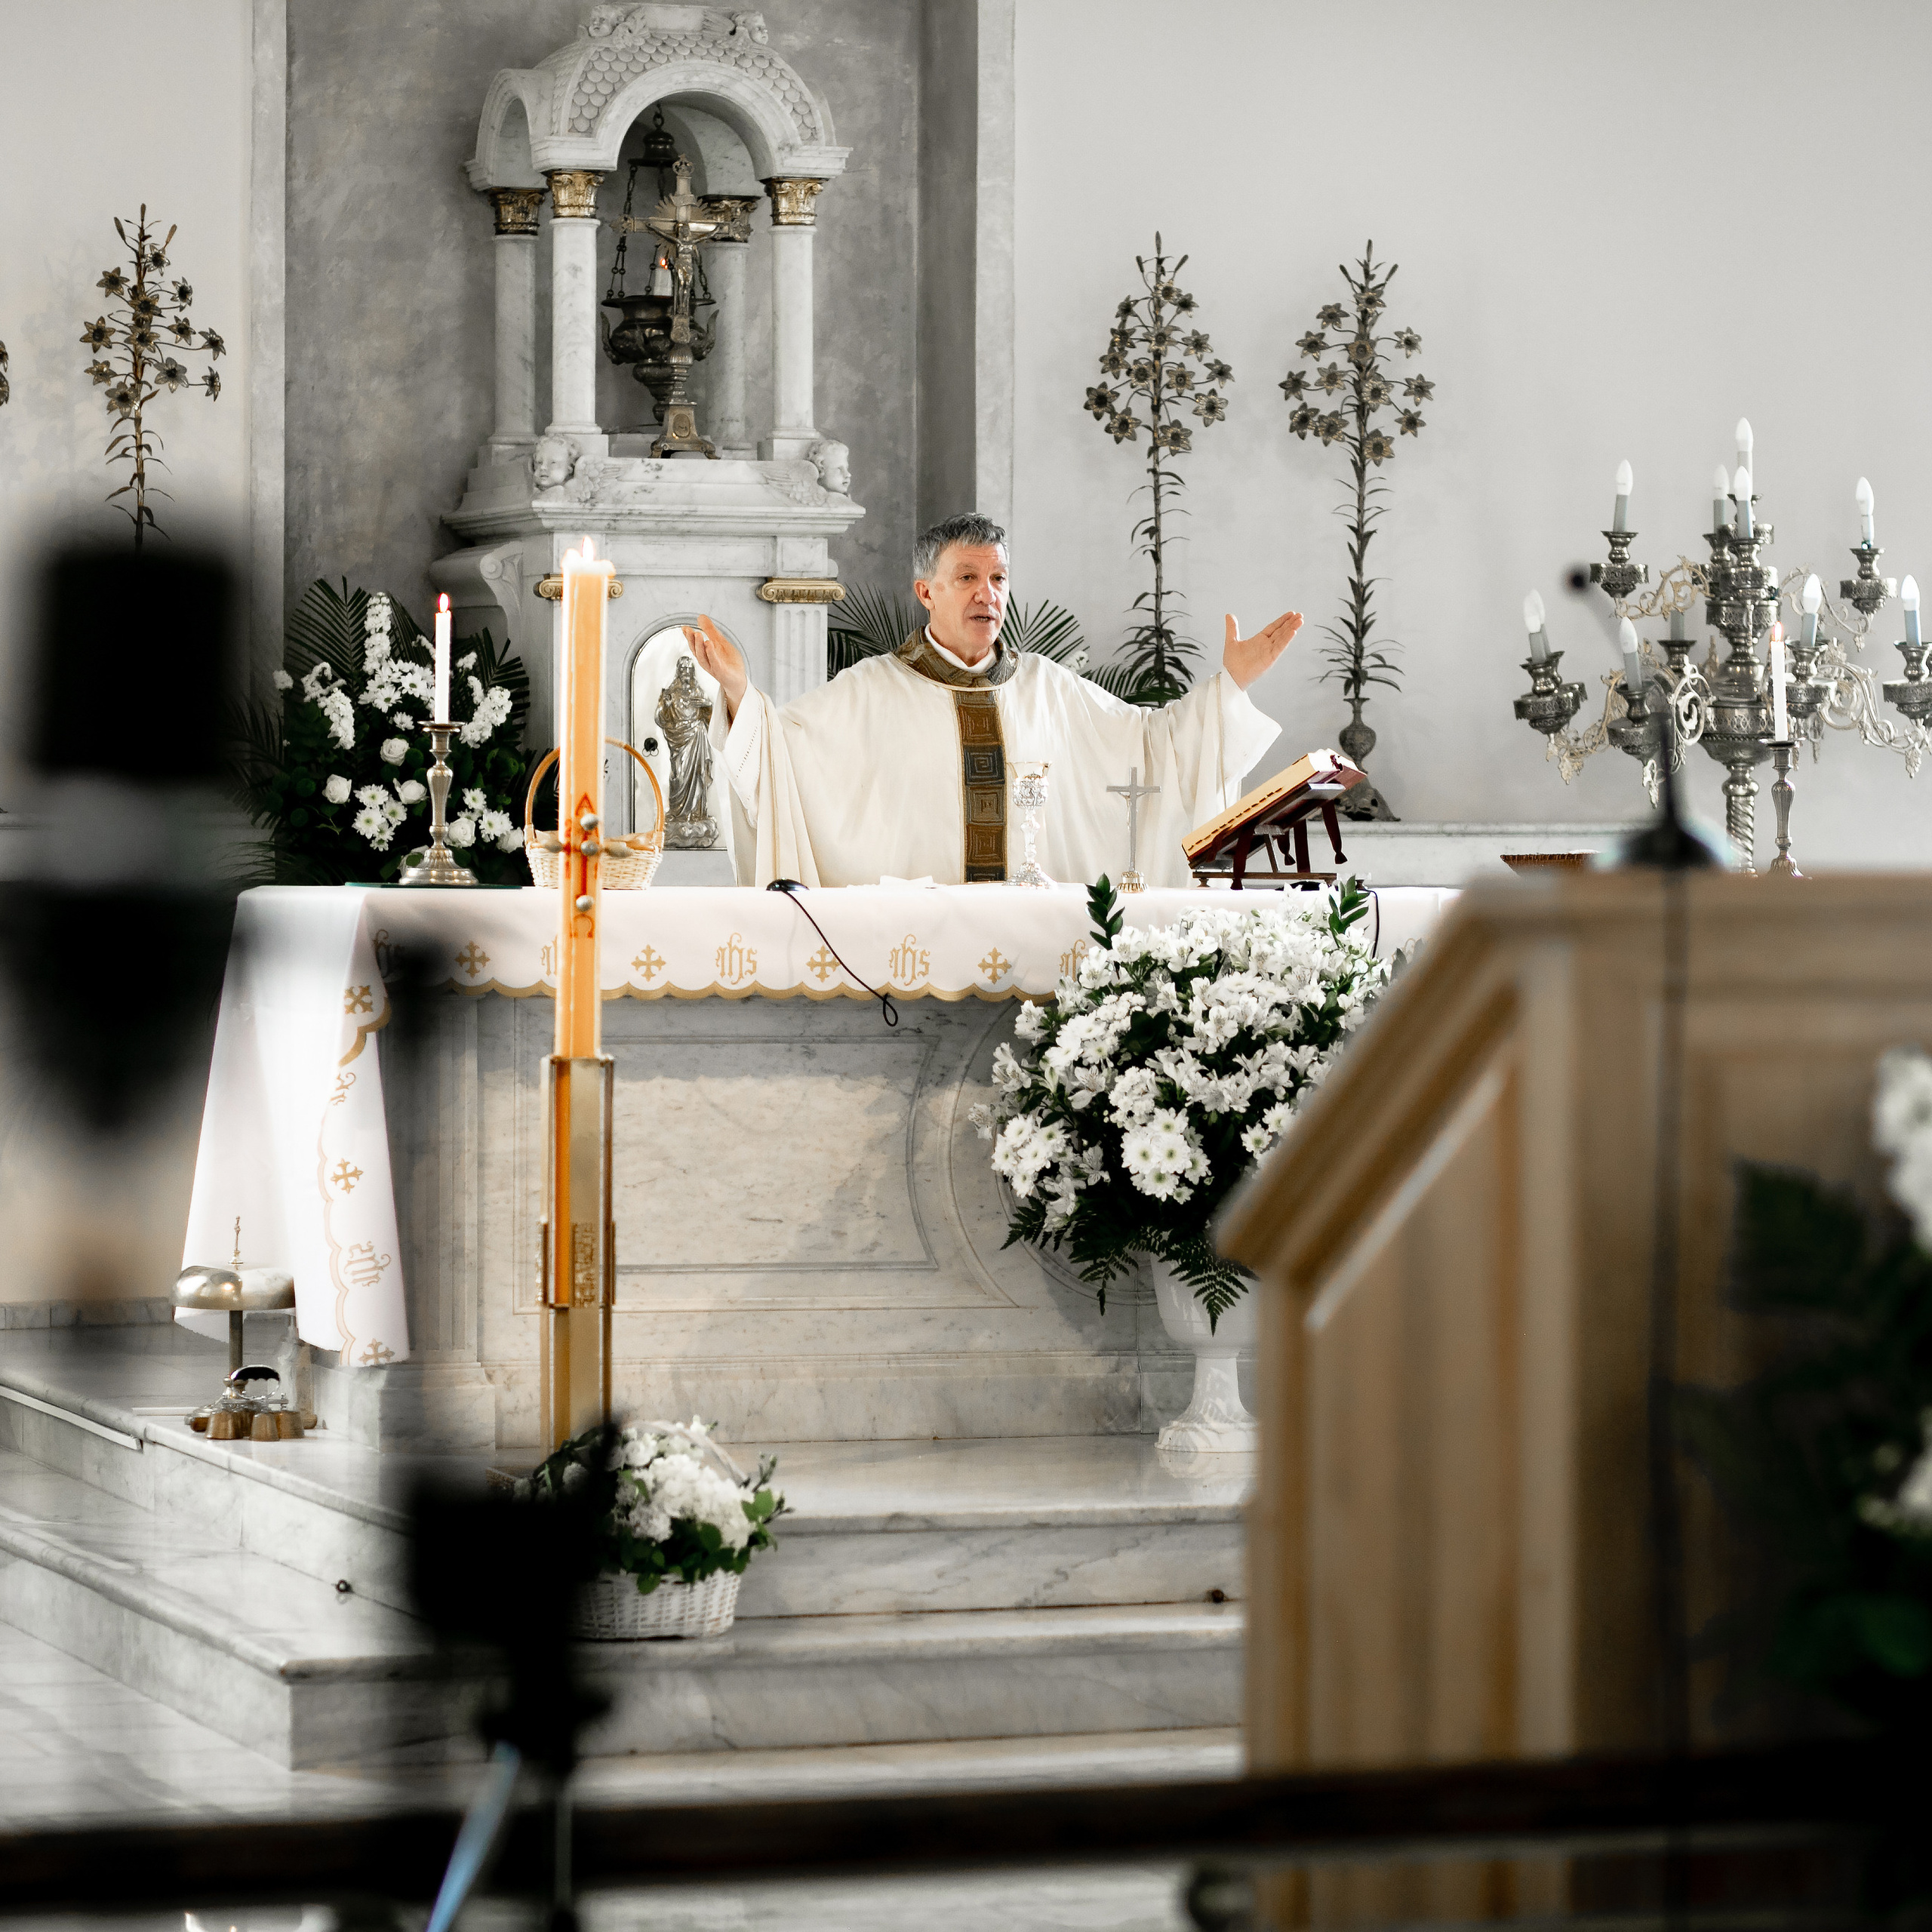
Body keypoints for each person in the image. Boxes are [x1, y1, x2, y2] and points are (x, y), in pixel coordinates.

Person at [682, 512, 1300, 888]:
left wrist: (1230, 688)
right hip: (911, 953)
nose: (988, 594)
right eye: (968, 578)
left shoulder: (1051, 690)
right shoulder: (869, 690)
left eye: (999, 578)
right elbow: (781, 757)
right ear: (926, 592)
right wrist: (738, 692)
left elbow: (1154, 745)